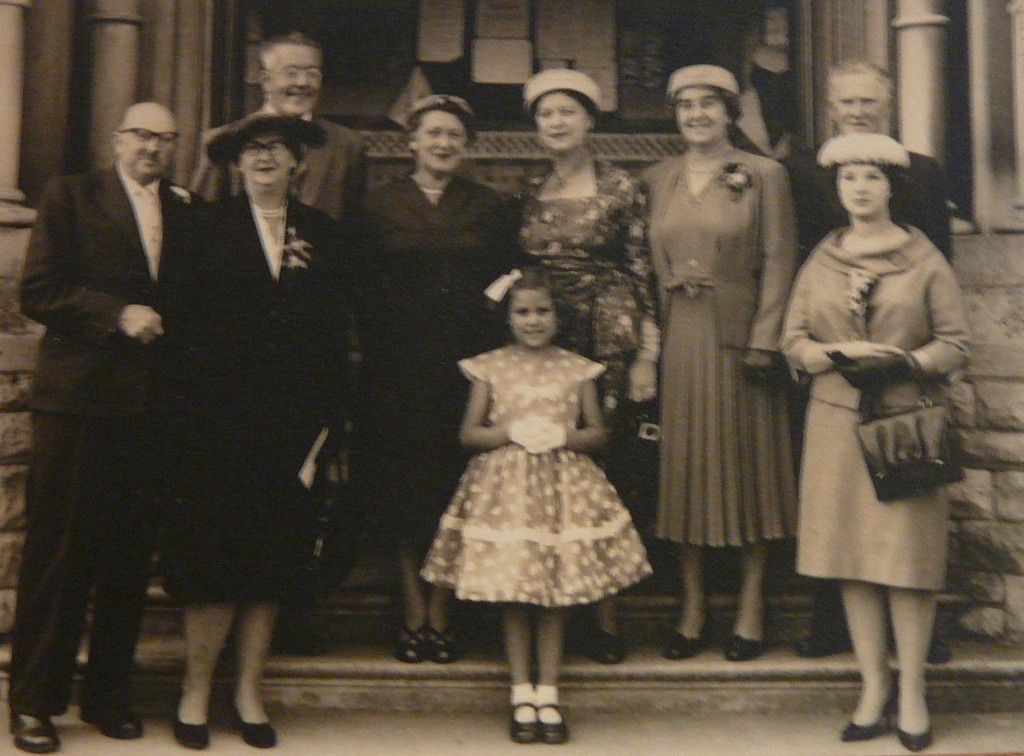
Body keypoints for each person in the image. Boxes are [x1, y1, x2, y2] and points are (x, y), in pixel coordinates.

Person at [9, 102, 202, 754]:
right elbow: (37, 291)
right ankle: (35, 703)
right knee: (59, 555)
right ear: (118, 137)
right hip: (80, 406)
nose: (152, 147)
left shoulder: (184, 207)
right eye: (142, 134)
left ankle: (108, 696)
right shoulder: (71, 195)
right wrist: (117, 314)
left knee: (127, 560)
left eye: (165, 139)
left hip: (151, 412)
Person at [161, 113, 349, 751]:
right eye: (253, 149)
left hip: (292, 424)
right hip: (216, 420)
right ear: (237, 164)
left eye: (278, 149)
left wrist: (328, 426)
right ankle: (194, 691)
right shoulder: (202, 225)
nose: (265, 157)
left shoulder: (323, 234)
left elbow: (332, 336)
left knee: (273, 557)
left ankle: (248, 691)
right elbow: (179, 324)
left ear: (299, 161)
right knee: (214, 555)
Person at [782, 133, 969, 752]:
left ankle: (913, 691)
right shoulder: (823, 260)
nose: (858, 188)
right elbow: (794, 341)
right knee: (852, 560)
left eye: (870, 178)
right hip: (836, 422)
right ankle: (872, 688)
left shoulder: (924, 261)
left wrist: (907, 363)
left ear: (892, 188)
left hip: (906, 422)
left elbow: (955, 343)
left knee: (908, 562)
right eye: (848, 179)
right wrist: (834, 353)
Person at [190, 30, 367, 656]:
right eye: (287, 72)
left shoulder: (347, 145)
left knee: (303, 492)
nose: (299, 82)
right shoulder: (234, 144)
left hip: (311, 342)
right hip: (236, 362)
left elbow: (357, 244)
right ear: (263, 80)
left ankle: (289, 613)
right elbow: (198, 234)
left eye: (310, 72)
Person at [421, 267, 652, 745]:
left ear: (557, 317)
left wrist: (563, 436)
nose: (533, 321)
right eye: (523, 312)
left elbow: (598, 434)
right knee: (516, 590)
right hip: (506, 493)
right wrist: (508, 433)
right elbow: (469, 434)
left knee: (553, 592)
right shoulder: (489, 367)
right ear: (508, 318)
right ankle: (519, 691)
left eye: (542, 311)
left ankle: (549, 691)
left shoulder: (577, 368)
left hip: (563, 490)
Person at [355, 94, 518, 664]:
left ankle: (443, 607)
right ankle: (411, 608)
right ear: (413, 142)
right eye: (434, 133)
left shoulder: (488, 205)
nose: (444, 143)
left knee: (458, 486)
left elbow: (509, 275)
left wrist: (485, 314)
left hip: (466, 368)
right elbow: (360, 284)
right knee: (404, 489)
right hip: (397, 367)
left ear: (467, 146)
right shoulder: (379, 204)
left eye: (455, 135)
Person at [644, 65, 798, 663]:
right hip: (679, 336)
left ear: (731, 111)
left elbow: (780, 260)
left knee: (746, 470)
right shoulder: (658, 177)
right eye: (686, 105)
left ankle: (752, 610)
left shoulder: (763, 174)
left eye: (709, 104)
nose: (697, 115)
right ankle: (692, 608)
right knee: (685, 470)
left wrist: (766, 340)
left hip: (741, 342)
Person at [518, 68, 659, 664]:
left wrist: (647, 353)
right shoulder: (531, 187)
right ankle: (551, 599)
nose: (557, 123)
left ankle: (604, 615)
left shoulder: (622, 187)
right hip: (544, 338)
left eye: (568, 112)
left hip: (607, 337)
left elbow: (641, 269)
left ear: (590, 122)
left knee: (602, 471)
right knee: (548, 468)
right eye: (546, 114)